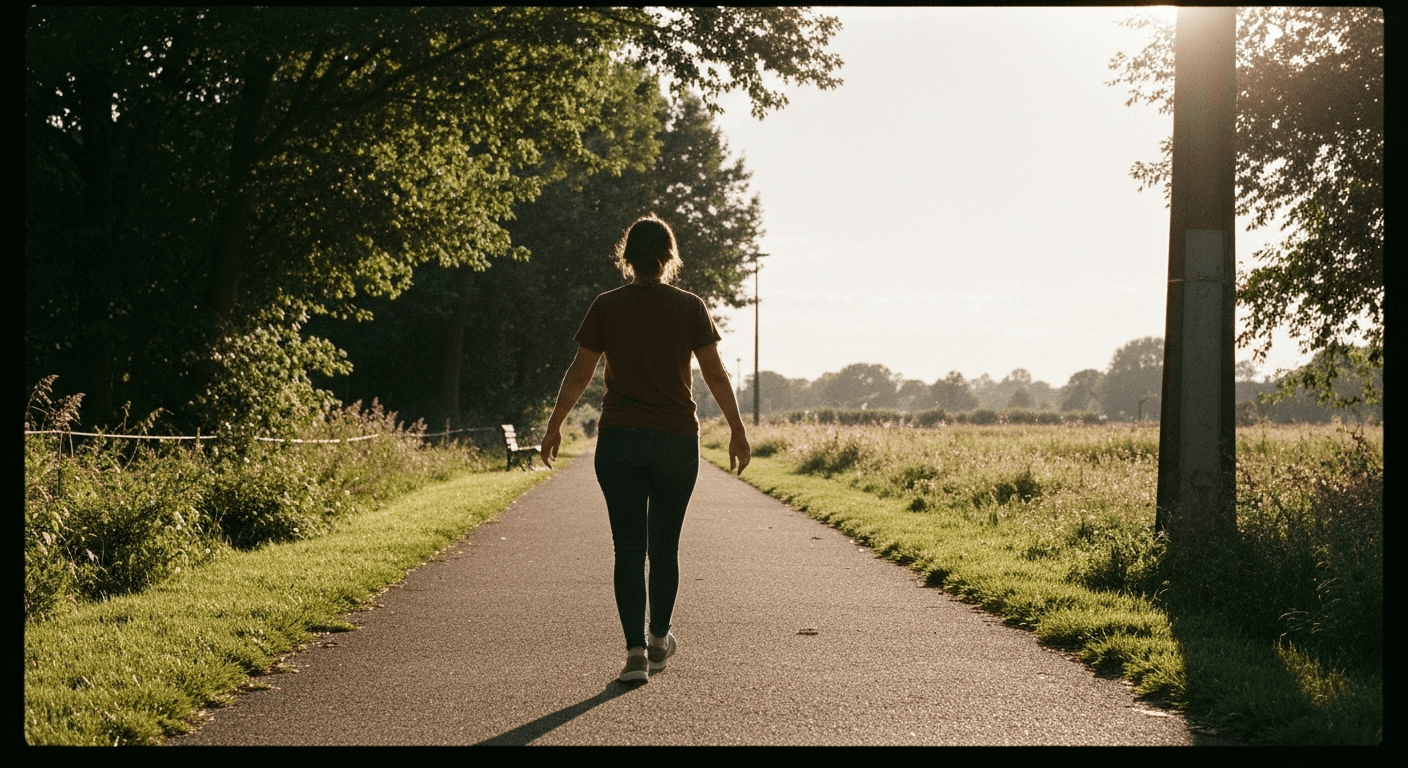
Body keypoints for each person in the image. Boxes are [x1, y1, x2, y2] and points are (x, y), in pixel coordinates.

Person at [540, 213, 751, 684]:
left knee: (629, 548)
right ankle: (658, 640)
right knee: (665, 546)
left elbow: (580, 373)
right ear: (670, 256)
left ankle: (635, 655)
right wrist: (737, 430)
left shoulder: (607, 306)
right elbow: (715, 374)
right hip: (676, 439)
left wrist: (554, 425)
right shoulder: (690, 306)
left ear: (626, 257)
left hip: (620, 438)